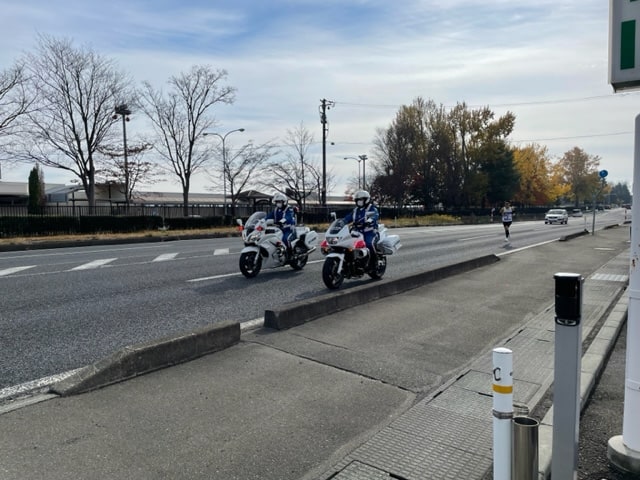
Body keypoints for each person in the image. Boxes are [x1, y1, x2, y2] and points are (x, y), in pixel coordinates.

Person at [343, 190, 380, 269]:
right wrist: (342, 222)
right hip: (357, 232)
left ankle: (374, 262)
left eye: (360, 200)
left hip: (370, 232)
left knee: (369, 244)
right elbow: (348, 218)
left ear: (366, 200)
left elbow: (374, 215)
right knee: (347, 243)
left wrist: (370, 221)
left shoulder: (372, 208)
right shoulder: (356, 210)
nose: (359, 202)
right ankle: (351, 261)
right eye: (357, 200)